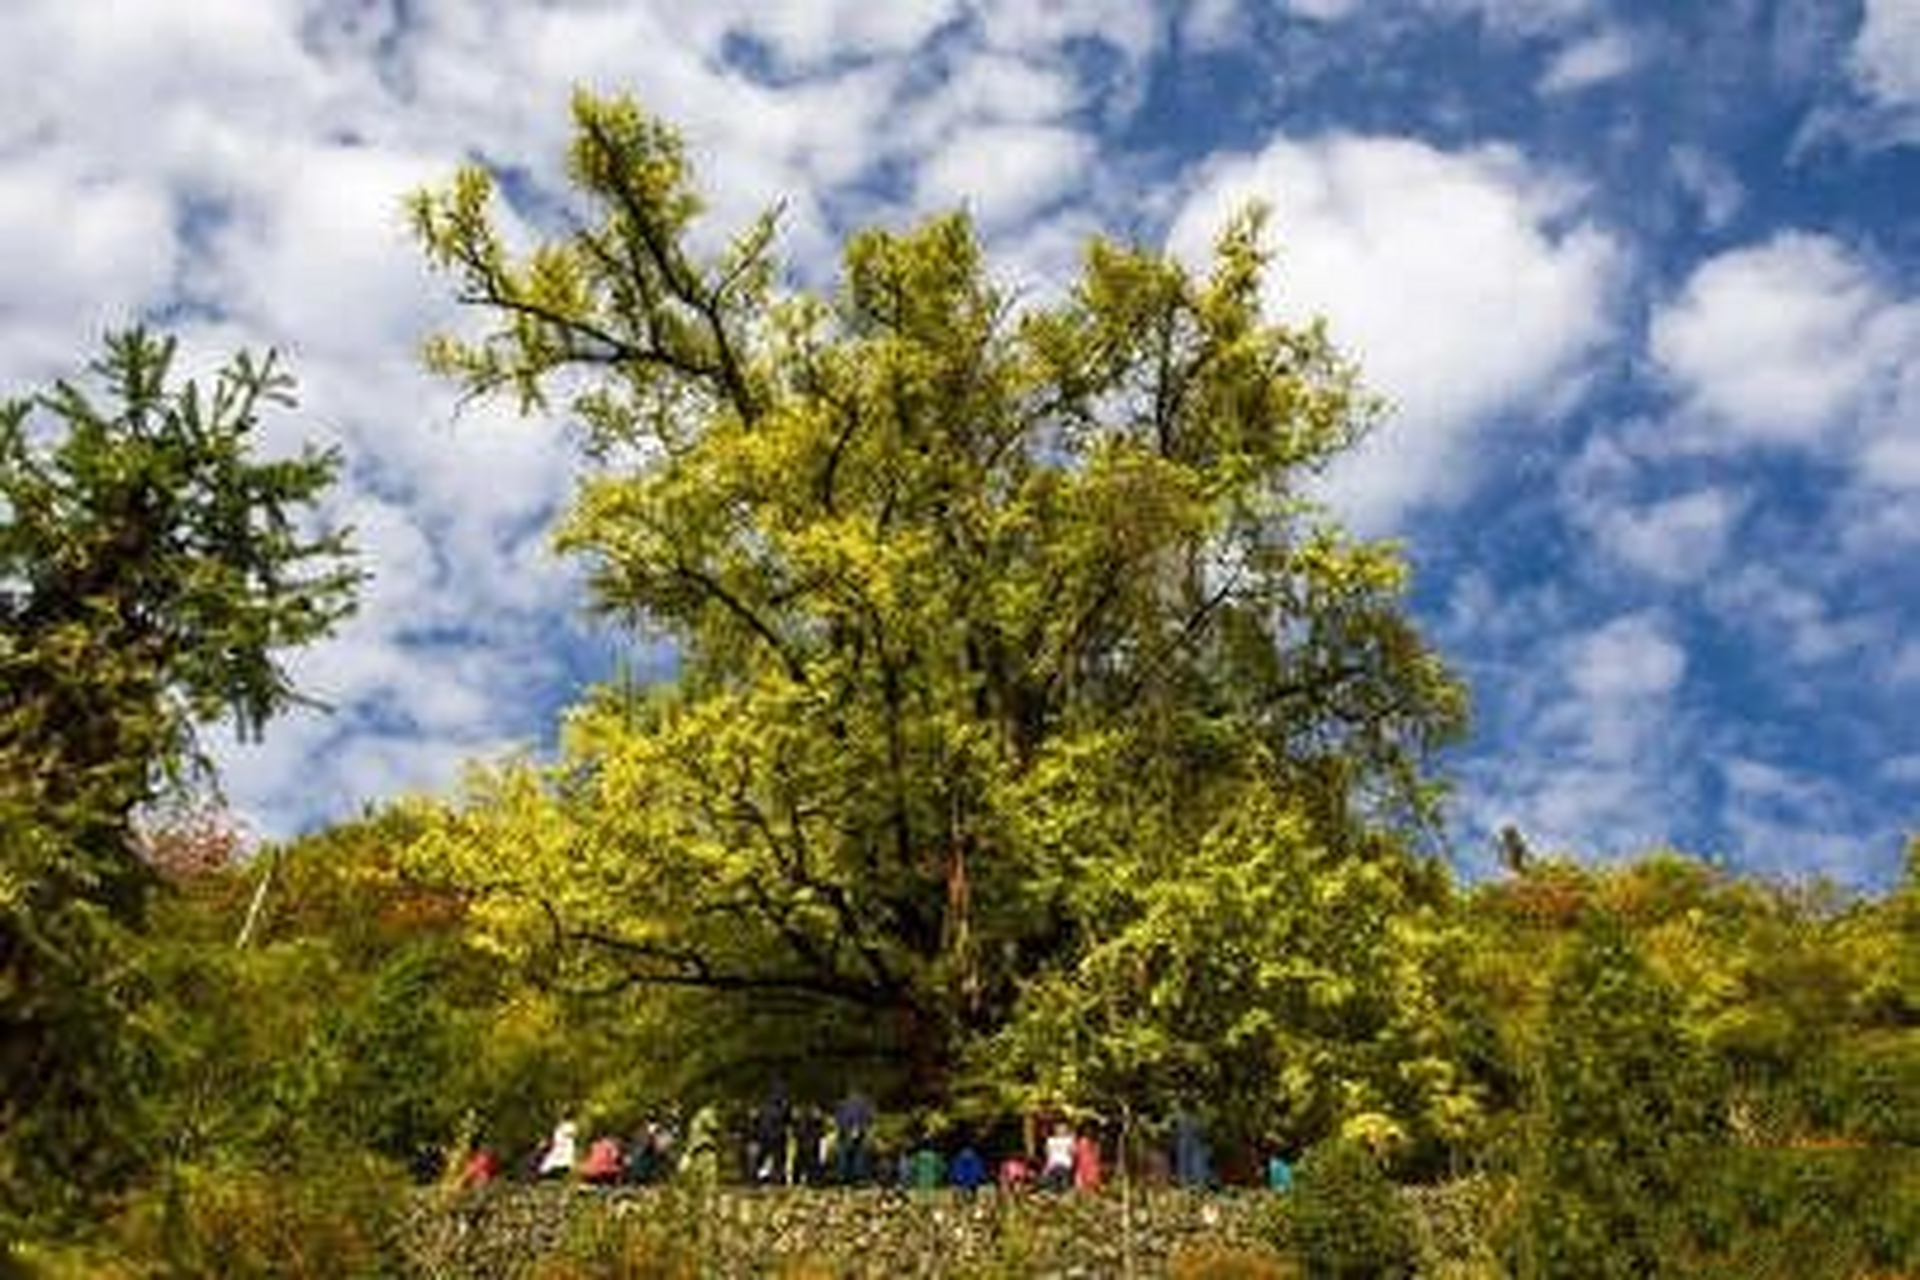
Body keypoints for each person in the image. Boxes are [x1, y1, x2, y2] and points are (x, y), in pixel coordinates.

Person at [1042, 1122, 1075, 1191]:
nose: (1061, 1131)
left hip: (1065, 1163)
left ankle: (1063, 1191)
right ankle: (1054, 1191)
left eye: (1064, 1129)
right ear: (1055, 1130)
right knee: (1052, 1180)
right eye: (1059, 1129)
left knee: (1063, 1179)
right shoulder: (1050, 1140)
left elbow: (1072, 1151)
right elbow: (1048, 1152)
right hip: (1053, 1163)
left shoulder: (1069, 1140)